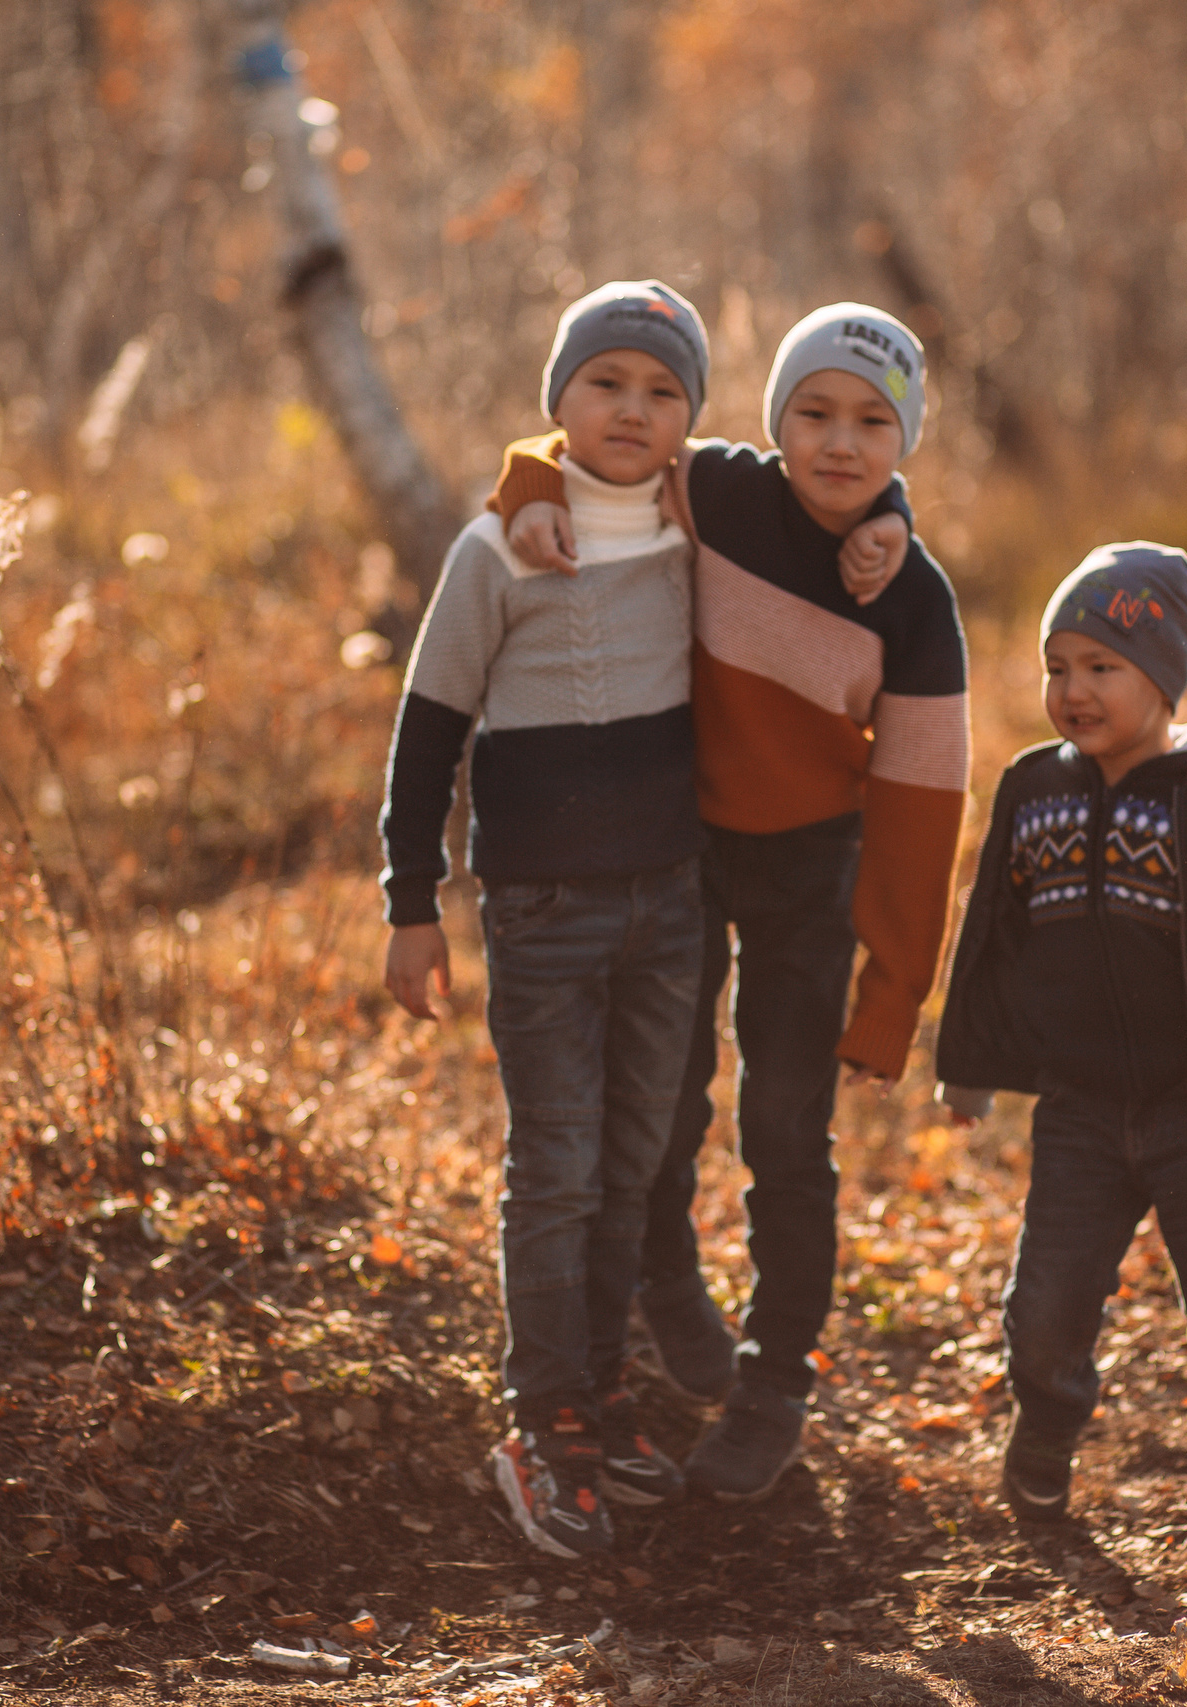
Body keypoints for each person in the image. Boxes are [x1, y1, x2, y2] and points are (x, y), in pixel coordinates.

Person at [497, 305, 970, 1503]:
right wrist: (523, 493)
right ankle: (664, 1279)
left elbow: (921, 811)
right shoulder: (716, 493)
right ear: (774, 424)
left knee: (785, 1133)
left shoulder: (914, 606)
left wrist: (892, 995)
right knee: (661, 1104)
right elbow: (587, 447)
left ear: (905, 441)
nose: (840, 445)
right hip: (681, 851)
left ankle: (773, 1382)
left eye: (873, 424)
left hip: (812, 873)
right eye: (812, 413)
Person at [934, 541, 1187, 1589]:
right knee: (1043, 1310)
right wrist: (969, 1065)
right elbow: (992, 937)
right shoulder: (1036, 795)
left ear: (1163, 679)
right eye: (1057, 667)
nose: (1072, 691)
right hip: (1079, 1114)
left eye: (1101, 667)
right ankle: (1044, 1436)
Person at [379, 280, 716, 1559]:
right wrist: (412, 902)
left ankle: (601, 1388)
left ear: (689, 417)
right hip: (545, 912)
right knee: (558, 1164)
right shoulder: (496, 547)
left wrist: (883, 526)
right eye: (604, 383)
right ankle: (542, 1418)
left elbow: (830, 488)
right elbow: (428, 729)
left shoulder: (701, 529)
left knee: (633, 1161)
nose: (631, 410)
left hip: (671, 903)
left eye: (662, 390)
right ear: (556, 400)